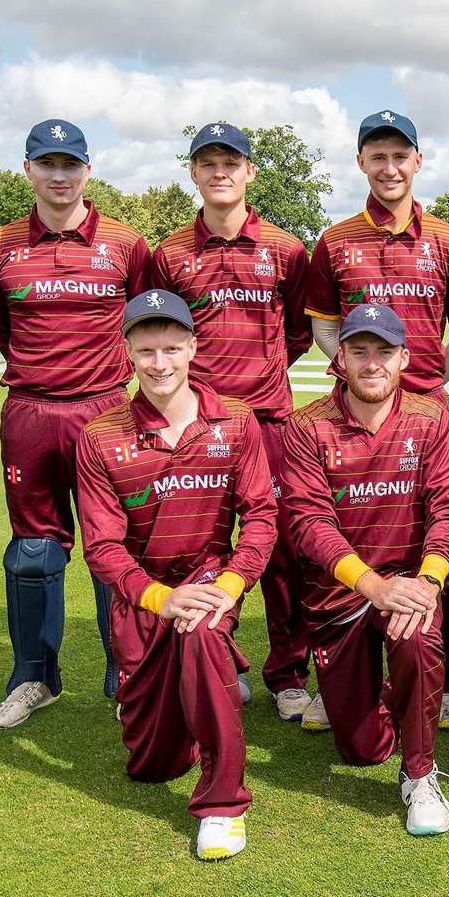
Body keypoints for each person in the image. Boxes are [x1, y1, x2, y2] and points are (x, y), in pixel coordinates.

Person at [75, 289, 276, 860]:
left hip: (212, 580)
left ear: (193, 346)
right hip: (146, 601)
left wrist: (230, 586)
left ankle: (222, 806)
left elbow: (262, 515)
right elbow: (103, 547)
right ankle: (204, 691)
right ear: (128, 354)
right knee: (152, 766)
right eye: (146, 351)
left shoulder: (236, 422)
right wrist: (160, 599)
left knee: (204, 633)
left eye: (171, 348)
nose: (160, 364)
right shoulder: (100, 436)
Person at [303, 110, 449, 731]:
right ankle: (340, 672)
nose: (390, 167)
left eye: (400, 156)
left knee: (436, 534)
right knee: (350, 524)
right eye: (377, 156)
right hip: (355, 407)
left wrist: (423, 380)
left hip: (425, 409)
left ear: (418, 161)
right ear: (361, 163)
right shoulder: (334, 240)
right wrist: (359, 373)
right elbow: (324, 323)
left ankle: (447, 673)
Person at [0, 119, 153, 727]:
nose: (59, 175)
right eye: (47, 163)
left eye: (69, 164)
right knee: (33, 551)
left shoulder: (127, 244)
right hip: (29, 410)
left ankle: (125, 670)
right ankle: (34, 677)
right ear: (27, 168)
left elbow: (144, 325)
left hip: (105, 411)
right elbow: (0, 322)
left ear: (87, 169)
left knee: (116, 546)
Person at [281, 304, 449, 837]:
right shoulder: (306, 425)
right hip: (343, 596)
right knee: (360, 750)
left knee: (417, 639)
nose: (372, 363)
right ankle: (391, 700)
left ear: (404, 358)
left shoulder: (431, 416)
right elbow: (309, 520)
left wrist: (429, 581)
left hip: (410, 585)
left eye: (383, 351)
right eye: (359, 350)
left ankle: (421, 774)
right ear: (339, 356)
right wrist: (373, 585)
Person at [151, 122, 315, 724]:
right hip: (192, 425)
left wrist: (261, 376)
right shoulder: (168, 253)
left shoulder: (286, 248)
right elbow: (160, 335)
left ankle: (289, 672)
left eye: (231, 162)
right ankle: (215, 659)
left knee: (279, 549)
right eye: (207, 162)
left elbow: (299, 328)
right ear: (193, 172)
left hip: (268, 421)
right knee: (197, 546)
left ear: (250, 172)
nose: (220, 172)